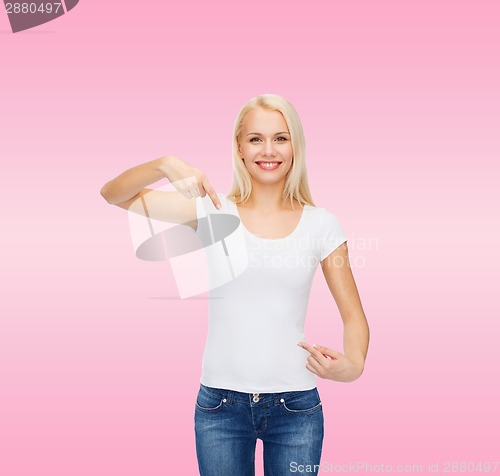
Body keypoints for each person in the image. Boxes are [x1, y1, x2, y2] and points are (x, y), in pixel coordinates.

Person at [100, 93, 370, 476]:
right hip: (220, 408)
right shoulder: (213, 211)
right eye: (256, 138)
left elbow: (354, 317)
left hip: (296, 409)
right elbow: (113, 195)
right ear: (239, 148)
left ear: (296, 146)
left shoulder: (322, 225)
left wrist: (353, 366)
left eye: (281, 137)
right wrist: (164, 164)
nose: (268, 149)